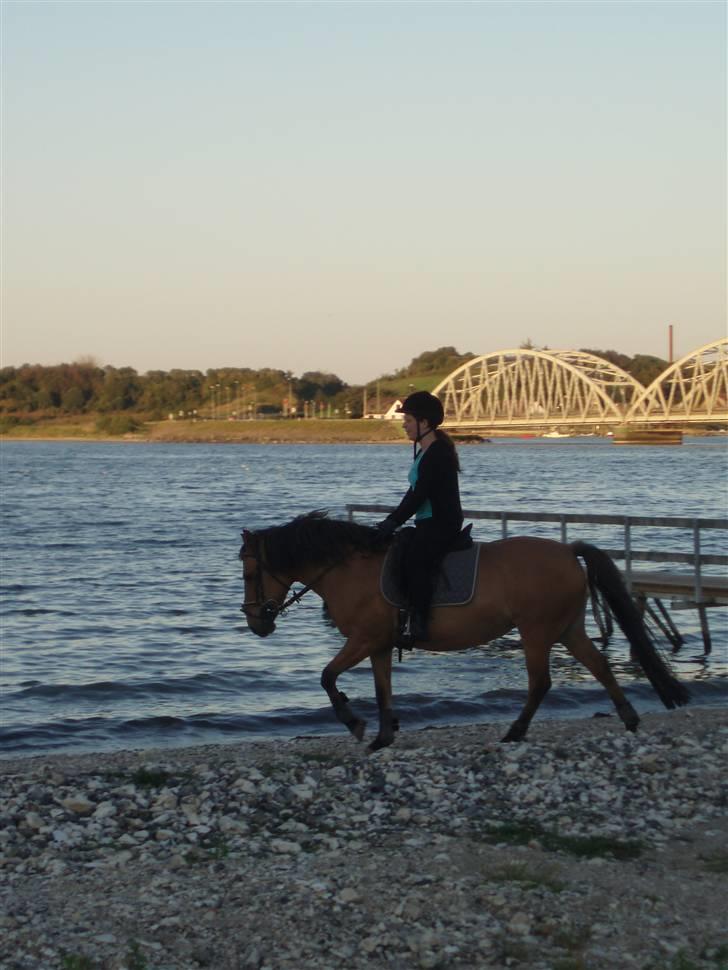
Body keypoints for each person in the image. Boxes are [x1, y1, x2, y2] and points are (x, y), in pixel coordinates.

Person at [377, 391, 464, 642]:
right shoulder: (423, 453)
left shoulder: (437, 454)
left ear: (424, 422)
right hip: (427, 521)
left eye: (408, 420)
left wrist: (394, 521)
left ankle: (420, 622)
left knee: (416, 558)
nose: (404, 424)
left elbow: (420, 495)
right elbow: (412, 493)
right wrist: (391, 520)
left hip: (441, 523)